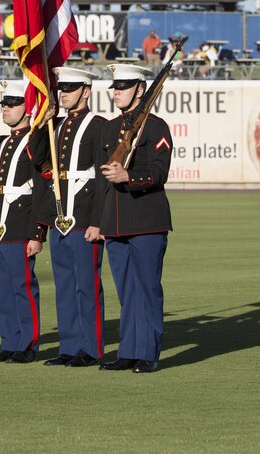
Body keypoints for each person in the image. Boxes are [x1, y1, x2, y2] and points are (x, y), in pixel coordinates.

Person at [90, 63, 173, 374]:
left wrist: (129, 176)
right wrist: (98, 222)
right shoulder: (109, 129)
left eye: (124, 86)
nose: (117, 92)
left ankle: (148, 353)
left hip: (146, 220)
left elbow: (160, 172)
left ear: (141, 90)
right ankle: (128, 351)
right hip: (115, 222)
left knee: (147, 289)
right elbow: (100, 183)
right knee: (126, 292)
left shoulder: (156, 127)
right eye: (114, 87)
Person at [42, 66, 107, 367]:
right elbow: (40, 163)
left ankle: (90, 349)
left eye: (70, 88)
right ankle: (69, 346)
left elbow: (102, 180)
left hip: (83, 216)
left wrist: (97, 221)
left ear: (86, 91)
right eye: (62, 89)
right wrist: (41, 126)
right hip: (60, 218)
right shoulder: (57, 125)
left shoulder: (99, 125)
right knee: (65, 286)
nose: (64, 93)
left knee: (87, 286)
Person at [0, 78, 48, 364]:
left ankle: (27, 344)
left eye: (11, 104)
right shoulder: (0, 141)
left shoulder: (33, 142)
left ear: (27, 107)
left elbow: (41, 187)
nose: (5, 109)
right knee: (4, 288)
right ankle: (9, 342)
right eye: (3, 105)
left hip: (21, 223)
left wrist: (36, 233)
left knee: (22, 287)